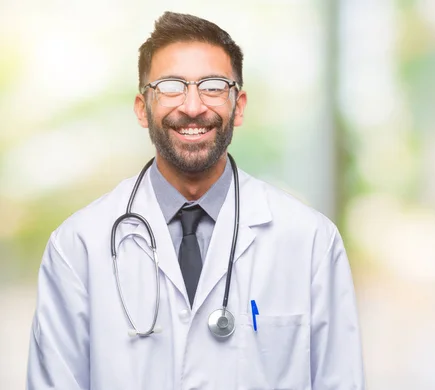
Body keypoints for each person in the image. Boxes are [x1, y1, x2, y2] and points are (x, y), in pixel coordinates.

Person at [26, 11, 364, 390]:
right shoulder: (78, 247)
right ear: (143, 108)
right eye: (171, 86)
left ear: (239, 106)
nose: (192, 106)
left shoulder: (310, 241)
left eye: (213, 86)